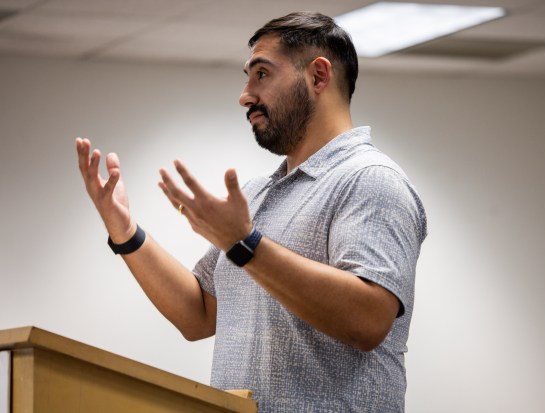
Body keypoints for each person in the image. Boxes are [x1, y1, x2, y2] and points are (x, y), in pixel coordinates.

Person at [76, 11, 426, 413]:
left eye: (261, 74)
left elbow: (367, 321)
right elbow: (199, 314)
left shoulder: (370, 180)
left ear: (318, 76)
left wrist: (245, 244)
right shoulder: (257, 195)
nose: (245, 95)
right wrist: (125, 231)